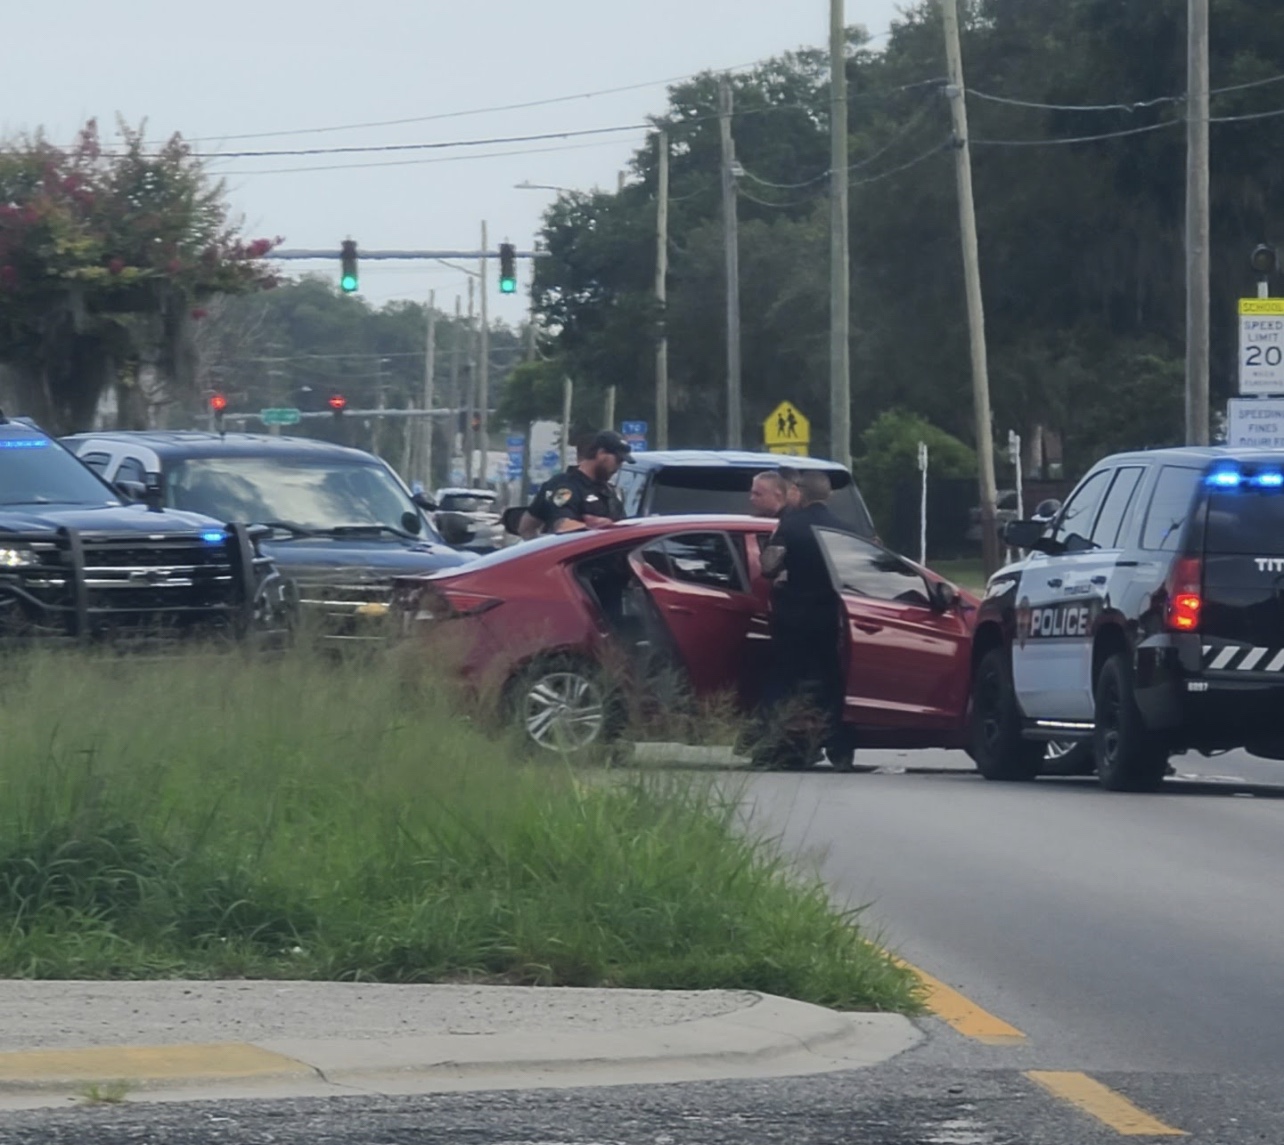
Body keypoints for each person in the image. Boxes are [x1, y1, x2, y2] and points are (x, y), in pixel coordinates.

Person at [755, 469, 848, 767]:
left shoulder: (791, 525)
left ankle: (770, 743)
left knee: (784, 680)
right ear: (827, 495)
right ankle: (838, 746)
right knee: (831, 681)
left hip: (792, 617)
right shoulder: (843, 529)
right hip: (830, 618)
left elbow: (768, 567)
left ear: (798, 492)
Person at [518, 430, 631, 538]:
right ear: (601, 453)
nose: (619, 466)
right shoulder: (565, 486)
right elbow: (561, 526)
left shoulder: (609, 490)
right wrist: (595, 528)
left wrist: (611, 526)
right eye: (618, 460)